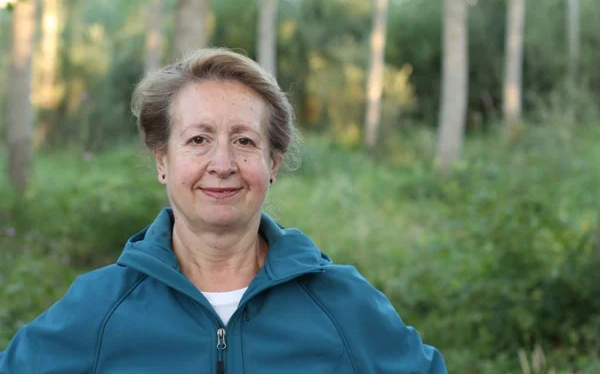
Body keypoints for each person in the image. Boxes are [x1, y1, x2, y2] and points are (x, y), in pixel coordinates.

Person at [0, 48, 447, 374]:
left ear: (272, 165)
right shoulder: (97, 309)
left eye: (244, 141)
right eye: (198, 140)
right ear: (162, 161)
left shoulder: (342, 304)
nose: (223, 164)